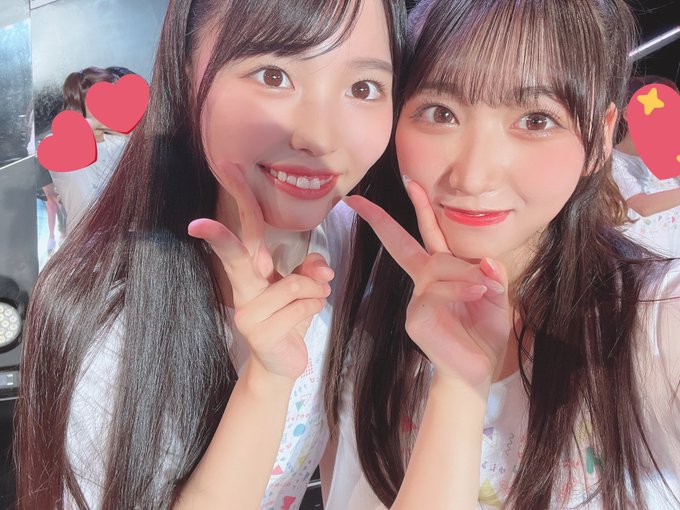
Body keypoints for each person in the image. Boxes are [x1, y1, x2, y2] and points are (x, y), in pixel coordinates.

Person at [16, 1, 405, 509]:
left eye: (364, 88)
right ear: (185, 70)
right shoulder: (103, 314)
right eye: (273, 75)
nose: (320, 137)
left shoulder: (350, 244)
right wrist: (265, 382)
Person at [324, 0, 680, 509]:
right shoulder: (355, 294)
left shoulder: (653, 319)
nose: (473, 177)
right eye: (440, 112)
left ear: (600, 137)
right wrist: (457, 385)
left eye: (535, 120)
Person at [48, 66, 128, 235]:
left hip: (123, 240)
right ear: (81, 102)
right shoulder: (62, 145)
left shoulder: (118, 142)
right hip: (84, 245)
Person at [613, 75, 680, 257]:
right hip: (642, 267)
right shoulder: (615, 162)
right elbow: (643, 206)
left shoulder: (670, 159)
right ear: (629, 113)